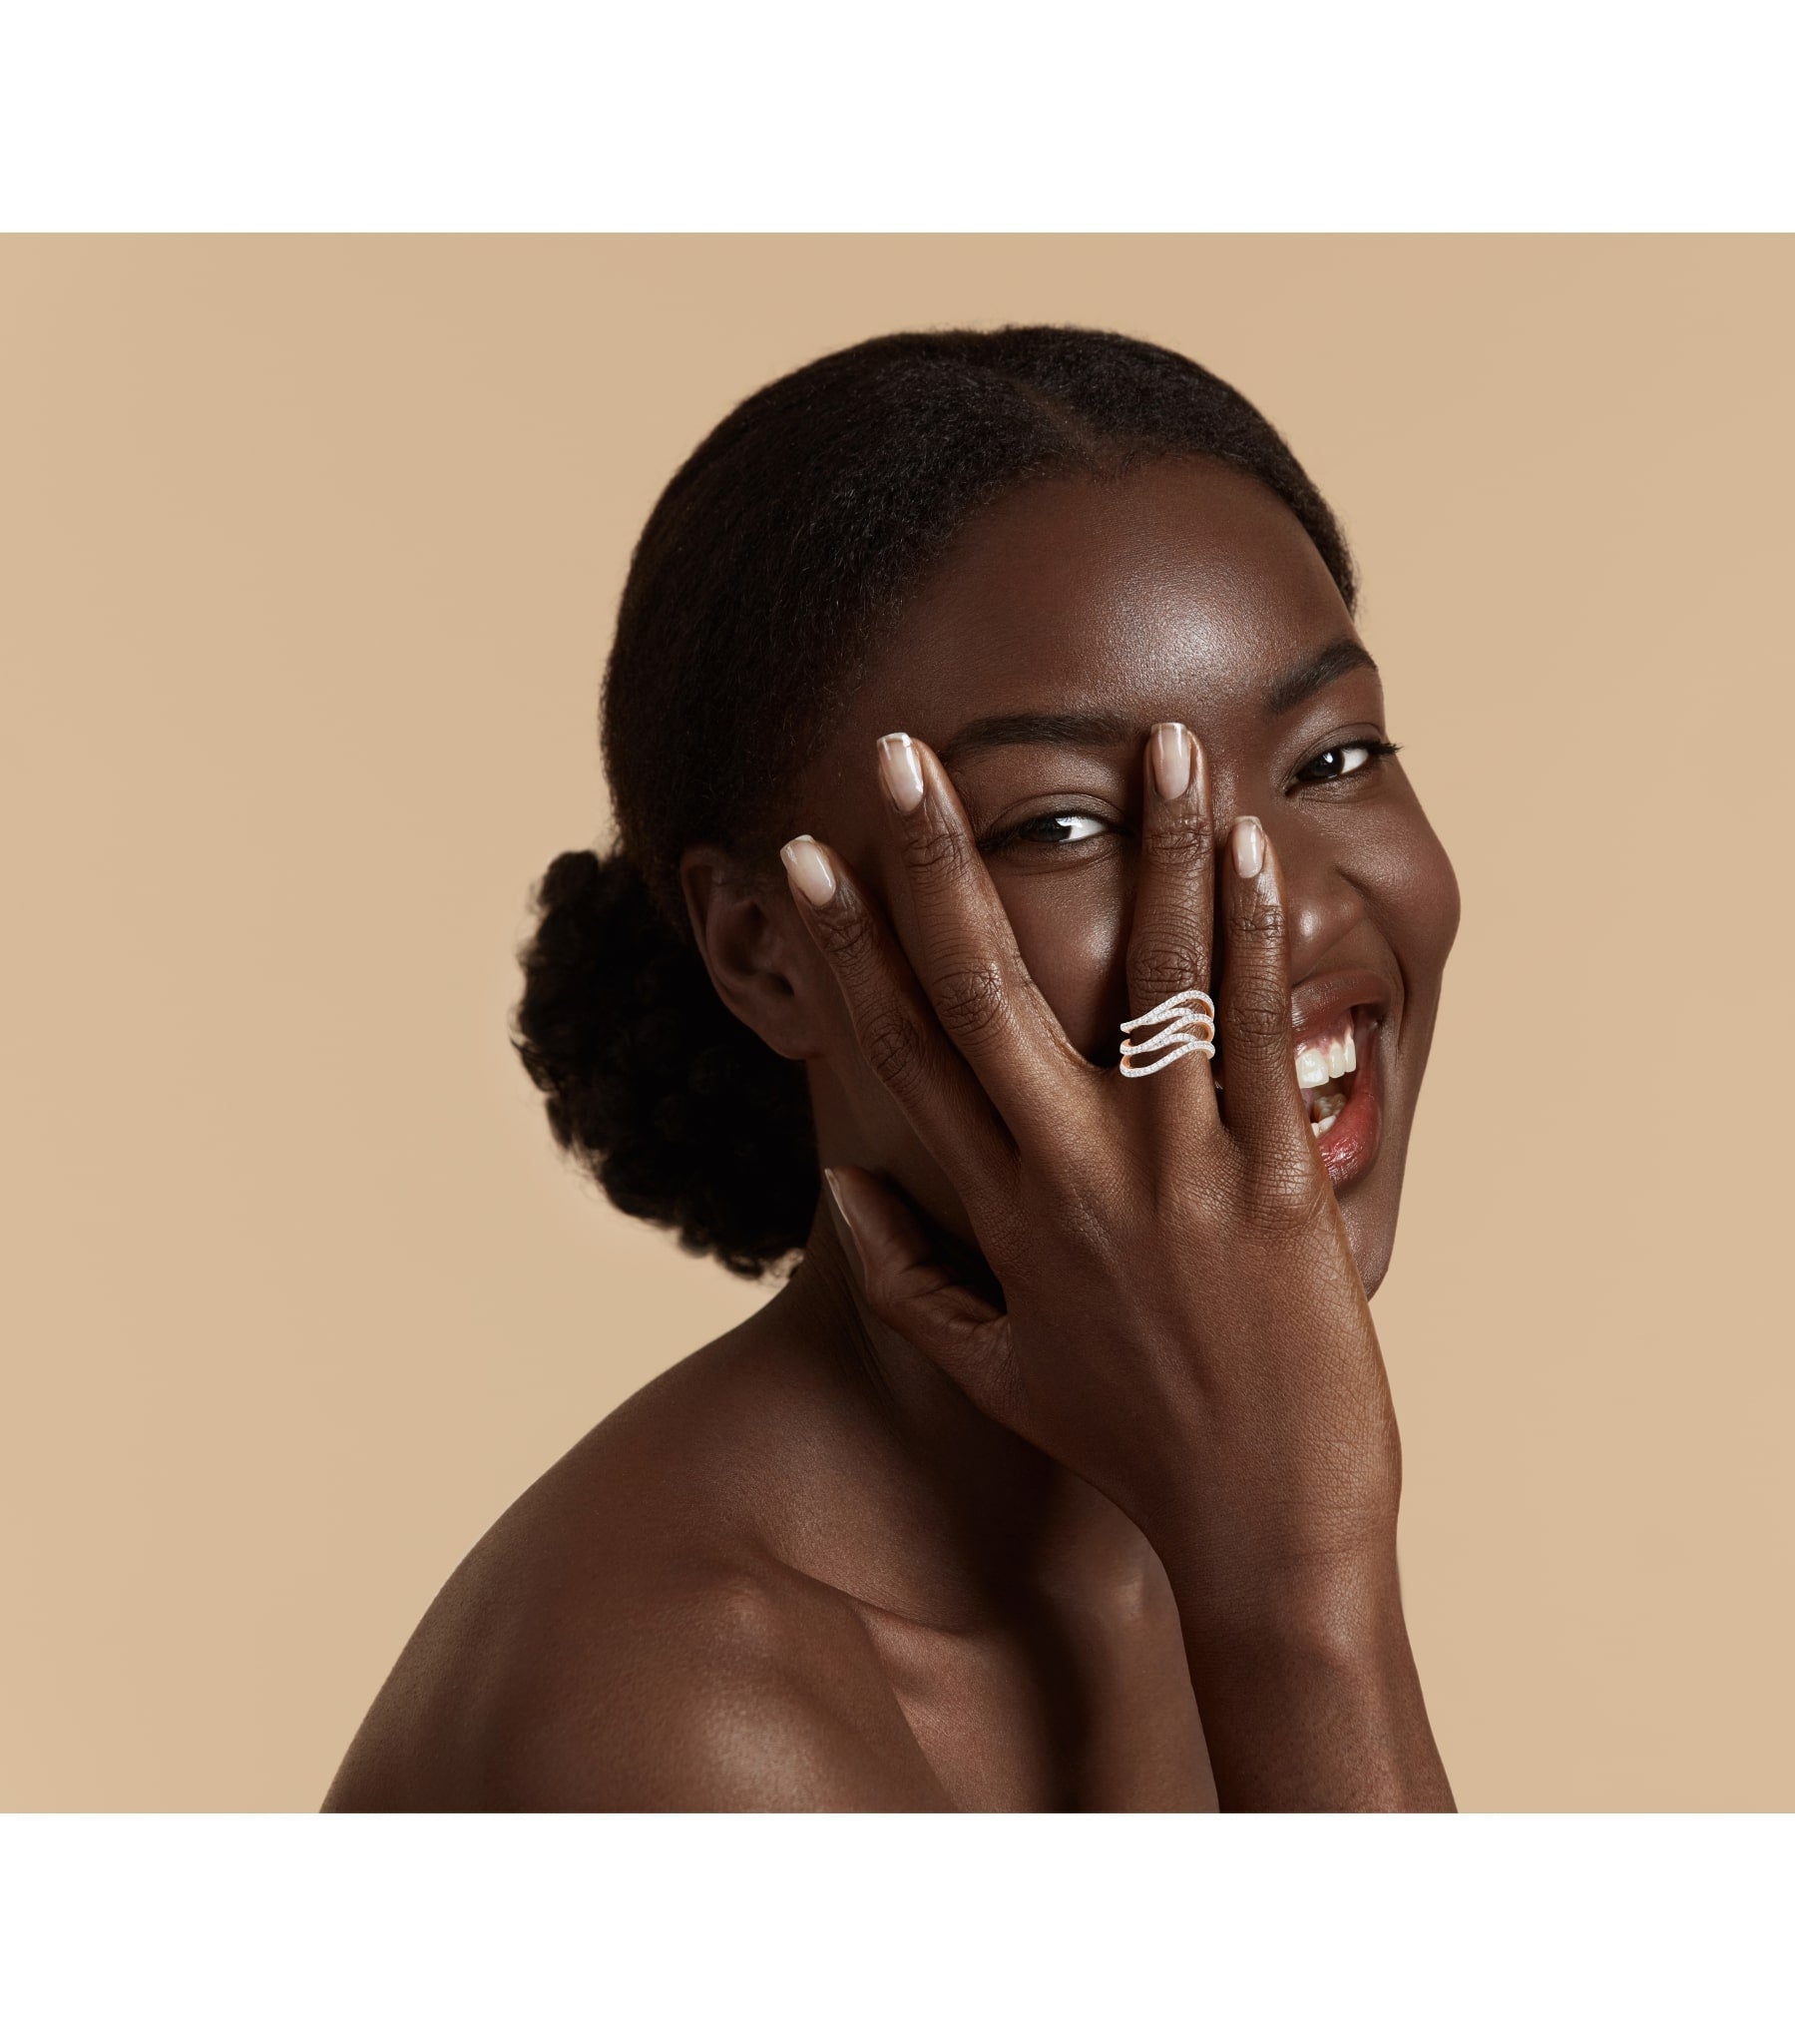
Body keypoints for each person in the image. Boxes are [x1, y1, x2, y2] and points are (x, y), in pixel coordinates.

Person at [324, 324, 1462, 1811]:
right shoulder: (689, 1717)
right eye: (1063, 826)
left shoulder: (1174, 1544)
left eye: (1333, 760)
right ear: (766, 952)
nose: (1285, 909)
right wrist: (1305, 1596)